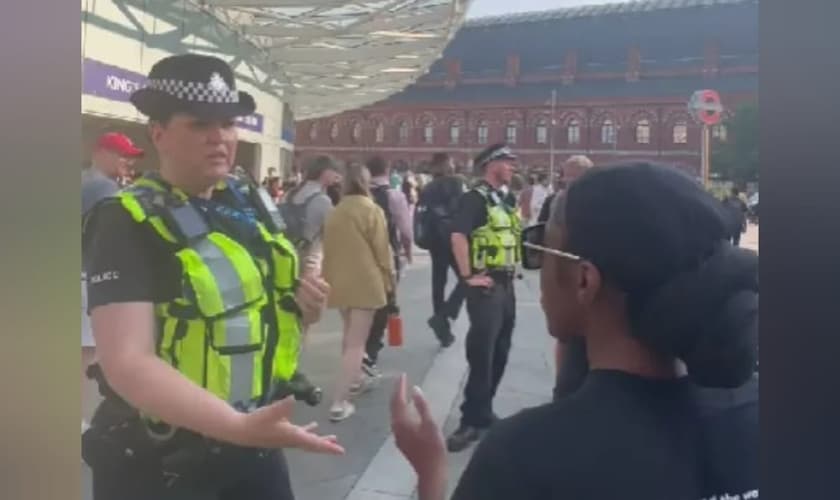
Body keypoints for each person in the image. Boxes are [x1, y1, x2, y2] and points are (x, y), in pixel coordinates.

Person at [391, 161, 759, 500]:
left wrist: (431, 473)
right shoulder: (757, 419)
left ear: (585, 280)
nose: (536, 263)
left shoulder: (524, 457)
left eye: (543, 249)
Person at [82, 53, 343, 500]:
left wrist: (305, 309)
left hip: (253, 442)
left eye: (228, 123)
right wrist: (237, 427)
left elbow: (254, 321)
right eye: (200, 124)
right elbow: (126, 362)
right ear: (159, 133)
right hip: (161, 464)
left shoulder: (249, 206)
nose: (220, 138)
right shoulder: (124, 220)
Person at [446, 143, 521, 452]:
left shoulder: (506, 200)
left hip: (506, 286)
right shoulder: (473, 199)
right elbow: (457, 236)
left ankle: (484, 411)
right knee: (482, 354)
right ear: (492, 165)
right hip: (486, 287)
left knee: (500, 351)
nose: (513, 166)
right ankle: (469, 421)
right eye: (508, 161)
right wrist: (467, 278)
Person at [321, 163, 395, 422]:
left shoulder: (335, 211)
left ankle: (357, 378)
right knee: (356, 343)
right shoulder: (371, 210)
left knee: (349, 338)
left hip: (339, 282)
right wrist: (390, 279)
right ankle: (340, 401)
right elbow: (382, 251)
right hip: (366, 281)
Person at [81, 131, 144, 432]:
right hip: (84, 277)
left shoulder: (85, 181)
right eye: (122, 155)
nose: (128, 162)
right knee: (85, 355)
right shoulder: (103, 189)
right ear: (101, 152)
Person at [364, 155, 414, 376]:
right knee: (384, 303)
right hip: (386, 256)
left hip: (360, 256)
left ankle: (360, 347)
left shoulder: (358, 195)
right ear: (387, 169)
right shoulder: (394, 196)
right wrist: (408, 252)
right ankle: (371, 351)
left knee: (361, 304)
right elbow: (405, 230)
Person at [421, 152, 468, 347]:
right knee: (468, 277)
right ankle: (446, 313)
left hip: (435, 239)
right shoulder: (458, 183)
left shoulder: (427, 188)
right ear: (446, 165)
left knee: (438, 282)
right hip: (455, 237)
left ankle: (443, 331)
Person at [281, 155, 341, 274]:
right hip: (310, 263)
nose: (337, 175)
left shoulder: (288, 195)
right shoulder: (322, 200)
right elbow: (337, 233)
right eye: (334, 171)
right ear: (325, 173)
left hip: (285, 259)